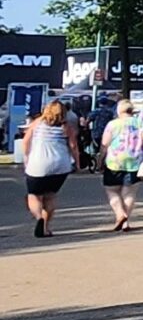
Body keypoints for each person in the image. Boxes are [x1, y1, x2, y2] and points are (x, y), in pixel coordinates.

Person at [20, 99, 78, 238]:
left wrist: (26, 157)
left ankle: (39, 217)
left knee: (34, 196)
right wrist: (77, 162)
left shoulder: (37, 123)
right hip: (60, 165)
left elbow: (26, 141)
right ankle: (46, 227)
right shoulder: (66, 127)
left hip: (38, 164)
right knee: (50, 196)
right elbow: (73, 146)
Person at [99, 98, 143, 233]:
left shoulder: (112, 124)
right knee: (129, 192)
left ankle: (119, 213)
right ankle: (125, 221)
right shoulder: (140, 122)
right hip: (135, 161)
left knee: (112, 190)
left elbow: (104, 144)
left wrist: (100, 160)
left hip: (114, 161)